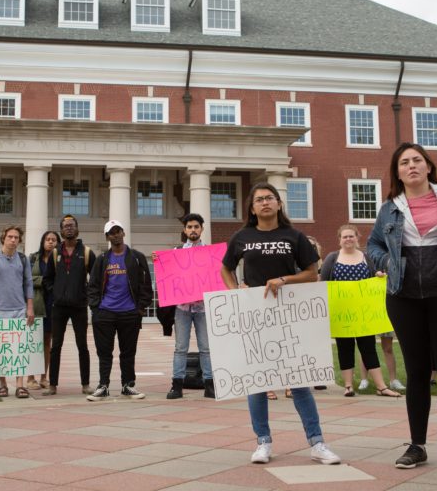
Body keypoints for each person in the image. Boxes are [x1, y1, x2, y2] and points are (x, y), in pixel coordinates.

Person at [365, 142, 437, 471]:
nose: (411, 166)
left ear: (428, 167)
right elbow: (372, 243)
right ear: (397, 172)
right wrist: (387, 261)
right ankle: (417, 445)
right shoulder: (390, 208)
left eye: (417, 160)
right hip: (402, 298)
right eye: (404, 162)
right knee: (416, 372)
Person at [220, 183, 341, 466]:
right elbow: (225, 267)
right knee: (257, 383)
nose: (265, 203)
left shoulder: (293, 236)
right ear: (252, 208)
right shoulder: (241, 237)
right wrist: (234, 289)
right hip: (256, 316)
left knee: (299, 383)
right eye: (259, 199)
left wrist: (284, 280)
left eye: (270, 198)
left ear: (278, 204)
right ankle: (263, 442)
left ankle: (317, 442)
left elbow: (312, 273)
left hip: (289, 315)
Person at [320, 224, 401, 398]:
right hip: (341, 313)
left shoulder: (366, 258)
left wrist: (379, 277)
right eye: (345, 237)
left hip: (364, 315)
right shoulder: (332, 258)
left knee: (369, 347)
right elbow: (323, 282)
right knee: (344, 348)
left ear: (357, 238)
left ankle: (381, 386)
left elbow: (373, 280)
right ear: (339, 239)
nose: (348, 239)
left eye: (351, 236)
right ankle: (348, 386)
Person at [85, 220, 152, 401]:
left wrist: (140, 308)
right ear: (107, 237)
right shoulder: (102, 259)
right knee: (104, 353)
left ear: (123, 233)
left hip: (130, 313)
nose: (115, 235)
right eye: (111, 232)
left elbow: (146, 284)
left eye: (118, 231)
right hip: (105, 313)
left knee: (128, 352)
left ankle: (128, 385)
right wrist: (96, 308)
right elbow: (92, 286)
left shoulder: (136, 257)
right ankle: (103, 385)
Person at [42, 215, 95, 395]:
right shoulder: (55, 253)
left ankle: (86, 384)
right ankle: (52, 385)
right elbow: (47, 278)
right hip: (59, 307)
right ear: (61, 231)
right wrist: (55, 291)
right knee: (56, 346)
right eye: (65, 226)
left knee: (82, 346)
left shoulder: (87, 252)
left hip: (79, 306)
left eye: (72, 225)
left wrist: (86, 295)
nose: (69, 228)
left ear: (77, 229)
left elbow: (95, 279)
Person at [0, 225, 35, 398]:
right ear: (3, 238)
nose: (13, 240)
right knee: (1, 350)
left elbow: (28, 283)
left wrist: (30, 307)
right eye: (10, 236)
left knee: (20, 350)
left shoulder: (23, 259)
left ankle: (20, 385)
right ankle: (3, 384)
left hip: (19, 310)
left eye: (16, 237)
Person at [165, 213, 214, 400]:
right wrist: (160, 261)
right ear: (184, 230)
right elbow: (168, 277)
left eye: (196, 227)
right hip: (182, 308)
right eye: (189, 227)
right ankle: (177, 385)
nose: (193, 230)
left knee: (206, 348)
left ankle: (209, 385)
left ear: (202, 229)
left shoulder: (210, 253)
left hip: (202, 308)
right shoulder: (176, 252)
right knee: (180, 348)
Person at [28, 230, 60, 391]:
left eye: (54, 240)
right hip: (36, 303)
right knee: (33, 342)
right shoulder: (33, 258)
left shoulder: (61, 260)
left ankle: (43, 377)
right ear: (43, 242)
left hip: (52, 304)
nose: (50, 242)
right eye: (47, 239)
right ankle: (30, 377)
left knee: (47, 342)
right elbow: (27, 279)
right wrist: (45, 280)